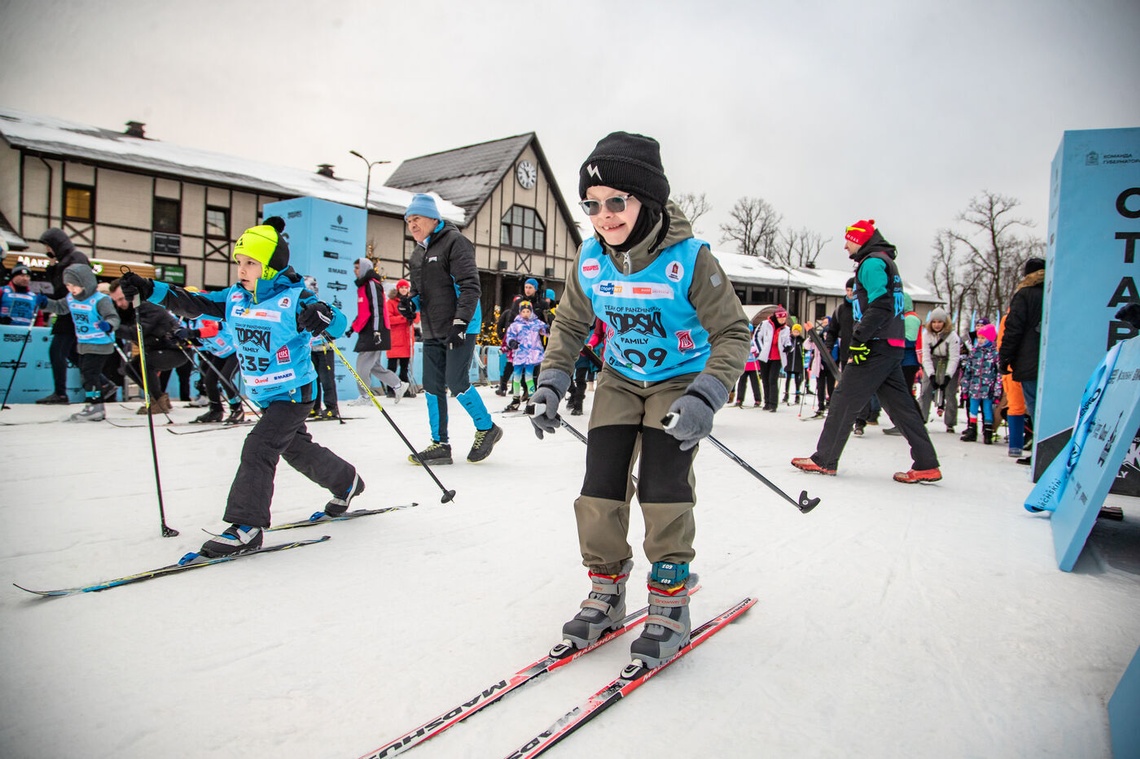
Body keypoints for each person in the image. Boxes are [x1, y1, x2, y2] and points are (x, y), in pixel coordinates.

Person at [529, 132, 749, 669]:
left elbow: (734, 333)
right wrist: (553, 380)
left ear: (644, 199)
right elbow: (572, 322)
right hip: (621, 379)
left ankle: (670, 600)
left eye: (616, 201)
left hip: (680, 380)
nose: (603, 215)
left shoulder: (691, 260)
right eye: (592, 205)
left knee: (662, 485)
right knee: (600, 484)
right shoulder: (590, 260)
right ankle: (606, 588)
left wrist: (708, 394)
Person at [118, 216, 364, 558]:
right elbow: (195, 303)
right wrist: (151, 289)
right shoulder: (235, 297)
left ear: (269, 266)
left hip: (293, 392)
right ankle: (346, 481)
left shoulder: (293, 297)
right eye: (239, 262)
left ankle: (246, 527)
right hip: (265, 393)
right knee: (295, 449)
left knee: (259, 447)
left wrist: (322, 314)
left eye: (251, 262)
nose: (242, 269)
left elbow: (336, 322)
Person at [792, 219, 941, 483]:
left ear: (860, 240)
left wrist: (860, 339)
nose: (845, 245)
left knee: (843, 399)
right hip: (891, 345)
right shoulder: (885, 262)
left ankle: (824, 459)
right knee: (902, 407)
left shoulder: (871, 263)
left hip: (876, 345)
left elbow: (881, 304)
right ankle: (927, 463)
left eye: (848, 239)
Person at [401, 193, 502, 465]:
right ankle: (440, 444)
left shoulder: (455, 242)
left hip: (460, 325)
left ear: (434, 219)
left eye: (417, 218)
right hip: (433, 327)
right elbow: (419, 291)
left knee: (457, 382)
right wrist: (411, 304)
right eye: (409, 220)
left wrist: (460, 323)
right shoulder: (417, 253)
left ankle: (486, 428)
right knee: (433, 386)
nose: (412, 224)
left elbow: (470, 286)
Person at [38, 264, 120, 421]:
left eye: (74, 285)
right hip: (83, 343)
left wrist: (108, 325)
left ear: (85, 283)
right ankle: (96, 404)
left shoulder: (100, 300)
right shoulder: (71, 298)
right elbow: (60, 308)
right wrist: (45, 303)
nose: (71, 289)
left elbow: (113, 317)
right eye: (68, 285)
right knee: (87, 374)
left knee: (90, 374)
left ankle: (95, 405)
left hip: (100, 343)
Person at [109, 280, 187, 414]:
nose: (119, 304)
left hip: (176, 350)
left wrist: (113, 328)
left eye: (121, 299)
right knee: (131, 367)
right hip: (157, 349)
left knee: (147, 363)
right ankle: (159, 397)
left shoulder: (146, 306)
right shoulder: (128, 310)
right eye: (115, 300)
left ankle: (157, 401)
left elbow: (137, 331)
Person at [35, 229, 92, 404]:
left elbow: (67, 287)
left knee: (58, 351)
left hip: (72, 313)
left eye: (48, 246)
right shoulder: (65, 261)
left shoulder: (76, 258)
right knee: (72, 354)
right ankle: (104, 384)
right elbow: (57, 287)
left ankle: (60, 393)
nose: (47, 250)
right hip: (70, 311)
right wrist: (52, 267)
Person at [346, 257, 402, 406]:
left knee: (362, 365)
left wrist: (377, 331)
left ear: (364, 268)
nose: (354, 270)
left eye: (357, 267)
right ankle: (398, 385)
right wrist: (353, 328)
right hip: (369, 330)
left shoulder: (372, 284)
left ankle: (365, 396)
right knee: (374, 366)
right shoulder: (363, 286)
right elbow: (364, 312)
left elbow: (377, 309)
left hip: (374, 330)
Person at [179, 308, 244, 425]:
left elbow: (212, 330)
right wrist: (185, 341)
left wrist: (192, 333)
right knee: (209, 380)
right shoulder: (185, 321)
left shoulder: (204, 314)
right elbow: (201, 342)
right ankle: (216, 410)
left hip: (234, 350)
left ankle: (237, 409)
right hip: (219, 353)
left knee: (225, 378)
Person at [999, 257, 1045, 422]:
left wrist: (1005, 357)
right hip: (1053, 361)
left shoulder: (1024, 295)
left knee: (1034, 405)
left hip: (1029, 360)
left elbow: (1013, 329)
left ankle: (1041, 444)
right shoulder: (1054, 294)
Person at [496, 278, 548, 396]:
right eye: (526, 287)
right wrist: (510, 340)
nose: (527, 290)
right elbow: (511, 322)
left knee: (532, 373)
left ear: (535, 288)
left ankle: (531, 395)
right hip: (519, 346)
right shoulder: (518, 304)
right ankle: (517, 395)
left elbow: (545, 324)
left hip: (535, 345)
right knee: (517, 373)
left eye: (530, 287)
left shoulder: (541, 304)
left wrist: (547, 330)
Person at [882, 294, 923, 436]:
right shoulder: (905, 317)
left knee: (904, 394)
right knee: (903, 394)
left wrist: (891, 342)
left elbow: (909, 341)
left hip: (908, 361)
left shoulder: (911, 318)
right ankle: (911, 422)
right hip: (903, 361)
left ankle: (914, 422)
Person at [917, 307, 961, 434]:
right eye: (934, 322)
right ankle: (922, 418)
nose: (937, 325)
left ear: (945, 323)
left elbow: (954, 357)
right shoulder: (926, 335)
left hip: (948, 362)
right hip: (932, 361)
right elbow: (925, 356)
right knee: (925, 391)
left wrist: (948, 376)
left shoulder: (952, 337)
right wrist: (931, 375)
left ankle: (950, 422)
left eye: (940, 322)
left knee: (950, 393)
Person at [960, 323, 1002, 443]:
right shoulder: (974, 352)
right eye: (979, 338)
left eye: (983, 338)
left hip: (988, 388)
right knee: (972, 408)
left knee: (987, 409)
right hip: (974, 387)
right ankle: (972, 429)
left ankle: (988, 431)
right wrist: (965, 388)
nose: (980, 340)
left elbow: (998, 374)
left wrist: (997, 391)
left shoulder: (994, 354)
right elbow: (968, 371)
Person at [303, 276, 338, 421]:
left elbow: (333, 323)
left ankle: (331, 407)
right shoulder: (302, 307)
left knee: (326, 379)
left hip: (324, 348)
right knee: (313, 380)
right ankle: (314, 407)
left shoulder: (321, 305)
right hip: (310, 349)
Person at [503, 300, 548, 411]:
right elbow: (509, 336)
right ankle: (516, 398)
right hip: (520, 353)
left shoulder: (536, 323)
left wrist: (548, 328)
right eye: (523, 311)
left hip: (532, 355)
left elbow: (546, 331)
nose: (526, 313)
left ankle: (532, 397)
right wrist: (512, 342)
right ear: (520, 312)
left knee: (529, 376)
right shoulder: (516, 325)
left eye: (528, 311)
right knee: (517, 377)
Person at [753, 306, 790, 412]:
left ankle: (773, 404)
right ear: (776, 317)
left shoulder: (786, 329)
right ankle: (767, 402)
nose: (783, 320)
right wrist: (760, 350)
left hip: (777, 357)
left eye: (784, 318)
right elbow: (756, 337)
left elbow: (787, 341)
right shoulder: (765, 324)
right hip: (764, 356)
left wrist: (788, 346)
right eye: (781, 318)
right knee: (765, 379)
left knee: (772, 380)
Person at [385, 278, 417, 397]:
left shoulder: (411, 301)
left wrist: (413, 315)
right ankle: (390, 389)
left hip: (407, 339)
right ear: (398, 289)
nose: (403, 290)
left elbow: (417, 318)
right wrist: (404, 318)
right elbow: (388, 319)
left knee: (405, 367)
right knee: (392, 367)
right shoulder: (391, 302)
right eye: (401, 287)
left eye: (405, 287)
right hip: (395, 339)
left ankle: (405, 388)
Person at [732, 323, 762, 407]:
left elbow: (759, 350)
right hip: (743, 365)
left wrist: (755, 351)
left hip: (753, 365)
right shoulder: (741, 341)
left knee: (755, 383)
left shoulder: (754, 341)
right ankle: (739, 399)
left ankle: (758, 399)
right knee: (741, 382)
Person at [783, 322, 806, 405]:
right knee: (787, 379)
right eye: (794, 331)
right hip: (789, 362)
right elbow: (784, 348)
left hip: (797, 363)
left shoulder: (801, 340)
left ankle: (797, 395)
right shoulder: (789, 339)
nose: (795, 333)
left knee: (797, 380)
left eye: (797, 332)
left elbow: (804, 350)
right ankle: (786, 394)